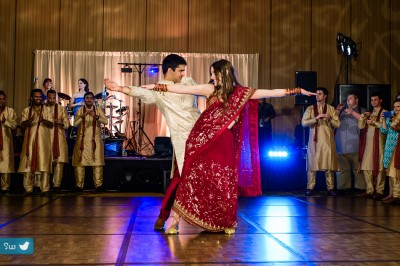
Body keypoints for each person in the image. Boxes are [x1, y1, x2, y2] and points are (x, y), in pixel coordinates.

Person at [141, 59, 315, 234]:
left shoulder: (241, 93)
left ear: (222, 73)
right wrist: (156, 87)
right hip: (202, 141)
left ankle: (227, 221)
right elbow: (182, 88)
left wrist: (297, 90)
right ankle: (174, 222)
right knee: (191, 177)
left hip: (224, 142)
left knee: (224, 181)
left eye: (213, 74)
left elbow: (271, 92)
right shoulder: (210, 89)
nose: (211, 77)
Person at [105, 54, 202, 231]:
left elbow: (203, 91)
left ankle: (212, 218)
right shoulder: (158, 91)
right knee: (179, 180)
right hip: (182, 140)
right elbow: (142, 92)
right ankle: (163, 217)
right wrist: (119, 88)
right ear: (170, 70)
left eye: (184, 71)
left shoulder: (188, 82)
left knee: (207, 176)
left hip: (201, 136)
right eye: (180, 70)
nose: (182, 74)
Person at [302, 87, 340, 197]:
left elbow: (337, 124)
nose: (317, 96)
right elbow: (304, 123)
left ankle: (331, 187)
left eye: (319, 94)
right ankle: (310, 187)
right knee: (312, 164)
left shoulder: (331, 109)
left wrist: (329, 119)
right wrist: (316, 118)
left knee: (329, 164)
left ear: (325, 96)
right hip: (314, 141)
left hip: (327, 141)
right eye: (316, 94)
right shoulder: (310, 108)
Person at [18, 89, 53, 196]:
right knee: (27, 163)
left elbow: (51, 124)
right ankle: (28, 189)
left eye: (39, 97)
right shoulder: (26, 110)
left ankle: (45, 188)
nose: (38, 98)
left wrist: (43, 120)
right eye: (36, 96)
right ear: (32, 98)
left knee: (44, 163)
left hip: (43, 142)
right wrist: (30, 120)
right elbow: (22, 125)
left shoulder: (46, 110)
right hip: (30, 141)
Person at [72, 92, 107, 192]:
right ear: (84, 99)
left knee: (97, 163)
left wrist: (96, 116)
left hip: (95, 140)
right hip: (82, 140)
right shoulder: (79, 110)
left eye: (91, 98)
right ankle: (79, 185)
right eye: (87, 98)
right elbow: (75, 124)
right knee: (80, 163)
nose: (89, 100)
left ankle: (99, 185)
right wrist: (82, 116)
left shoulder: (98, 110)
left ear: (94, 100)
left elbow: (105, 122)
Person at [334, 93, 366, 193]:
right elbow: (332, 122)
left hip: (356, 145)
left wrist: (352, 112)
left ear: (357, 100)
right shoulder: (342, 112)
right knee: (342, 169)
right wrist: (338, 111)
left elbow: (365, 121)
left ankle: (360, 188)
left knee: (357, 169)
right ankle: (343, 188)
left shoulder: (362, 110)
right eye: (347, 99)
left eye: (351, 98)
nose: (348, 100)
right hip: (341, 145)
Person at [358, 93, 387, 199]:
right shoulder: (369, 113)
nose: (373, 102)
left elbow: (386, 128)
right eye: (371, 100)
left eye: (375, 100)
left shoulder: (385, 112)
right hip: (368, 143)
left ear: (380, 100)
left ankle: (380, 190)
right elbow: (361, 126)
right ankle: (369, 190)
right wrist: (362, 117)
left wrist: (374, 122)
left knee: (380, 167)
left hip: (380, 143)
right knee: (366, 167)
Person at [46, 89, 70, 193]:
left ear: (56, 98)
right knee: (45, 162)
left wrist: (60, 122)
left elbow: (67, 125)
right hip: (45, 138)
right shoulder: (43, 108)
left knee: (59, 162)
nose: (51, 100)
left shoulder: (61, 109)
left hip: (59, 138)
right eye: (49, 98)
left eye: (53, 98)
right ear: (47, 98)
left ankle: (56, 185)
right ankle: (44, 186)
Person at [380, 99, 400, 203]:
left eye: (398, 107)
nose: (396, 109)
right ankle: (391, 194)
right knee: (389, 170)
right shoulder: (391, 115)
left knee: (396, 169)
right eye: (395, 106)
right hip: (389, 144)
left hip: (398, 144)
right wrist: (383, 120)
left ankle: (396, 194)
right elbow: (384, 130)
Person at [0, 91, 17, 195]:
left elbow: (14, 125)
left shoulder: (10, 111)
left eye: (3, 99)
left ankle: (5, 188)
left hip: (6, 141)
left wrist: (5, 122)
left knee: (5, 164)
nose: (1, 101)